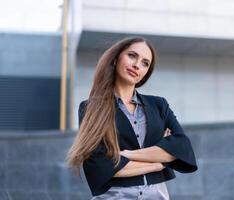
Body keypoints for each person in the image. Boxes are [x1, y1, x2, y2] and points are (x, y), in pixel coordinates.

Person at [67, 37, 198, 200]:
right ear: (116, 58)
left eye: (145, 63)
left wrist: (126, 155)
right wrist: (158, 163)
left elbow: (182, 148)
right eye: (132, 55)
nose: (137, 65)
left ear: (145, 74)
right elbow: (99, 166)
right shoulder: (91, 108)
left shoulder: (159, 105)